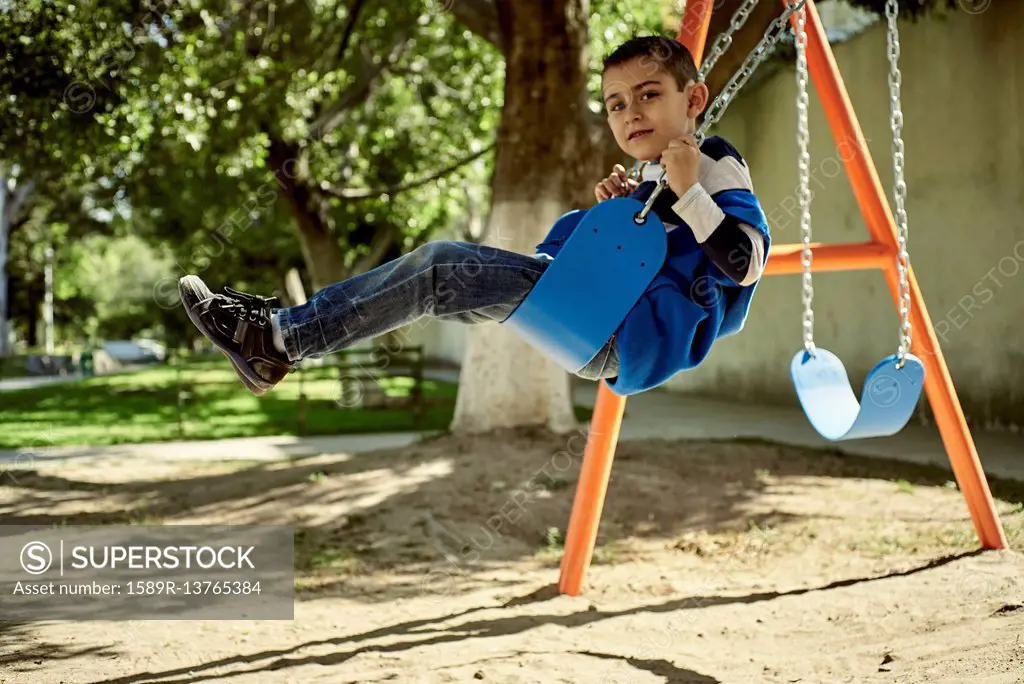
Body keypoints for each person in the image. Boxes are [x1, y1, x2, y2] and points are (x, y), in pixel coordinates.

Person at [177, 35, 770, 397]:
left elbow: (744, 264)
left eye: (649, 94)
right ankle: (279, 338)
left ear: (692, 99)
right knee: (440, 280)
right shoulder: (653, 176)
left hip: (623, 332)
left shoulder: (712, 161)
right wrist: (620, 214)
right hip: (597, 317)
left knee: (439, 269)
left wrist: (689, 193)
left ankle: (281, 338)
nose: (631, 112)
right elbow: (653, 248)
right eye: (616, 103)